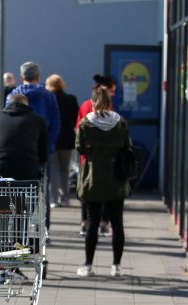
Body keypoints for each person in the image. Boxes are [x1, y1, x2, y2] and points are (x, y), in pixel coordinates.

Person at [75, 85, 132, 278]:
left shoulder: (85, 124)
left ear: (92, 102)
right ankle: (116, 265)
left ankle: (88, 264)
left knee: (93, 224)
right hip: (117, 179)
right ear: (109, 102)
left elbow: (80, 148)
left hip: (93, 179)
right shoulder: (121, 123)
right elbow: (127, 147)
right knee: (117, 223)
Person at [7, 61, 60, 241]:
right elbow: (55, 123)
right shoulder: (48, 96)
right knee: (42, 192)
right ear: (39, 76)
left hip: (16, 152)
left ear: (21, 77)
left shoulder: (14, 95)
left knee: (14, 193)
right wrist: (48, 146)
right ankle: (43, 231)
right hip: (41, 153)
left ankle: (13, 232)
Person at [76, 73, 117, 237]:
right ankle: (104, 223)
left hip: (87, 159)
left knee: (86, 192)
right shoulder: (110, 113)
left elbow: (77, 131)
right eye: (112, 91)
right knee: (106, 192)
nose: (113, 94)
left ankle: (85, 223)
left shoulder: (85, 106)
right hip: (105, 160)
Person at [0, 93, 48, 180]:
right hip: (28, 168)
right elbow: (43, 151)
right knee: (29, 191)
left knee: (0, 193)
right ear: (27, 105)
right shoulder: (38, 120)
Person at [46, 73, 78, 207]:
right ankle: (65, 198)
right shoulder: (71, 99)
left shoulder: (48, 99)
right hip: (67, 138)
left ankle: (54, 199)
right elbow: (76, 117)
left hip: (52, 138)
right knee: (65, 170)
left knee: (53, 170)